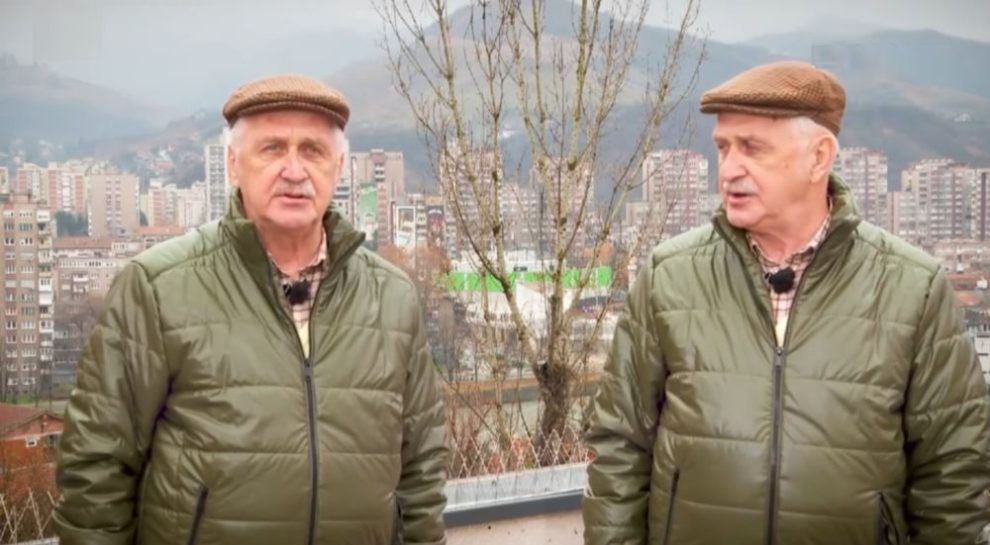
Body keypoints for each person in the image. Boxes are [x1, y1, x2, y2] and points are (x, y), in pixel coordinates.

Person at [583, 60, 990, 544]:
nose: (729, 169)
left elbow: (954, 471)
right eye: (723, 148)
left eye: (752, 148)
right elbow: (618, 445)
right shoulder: (668, 277)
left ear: (819, 157)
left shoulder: (912, 288)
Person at [53, 74, 448, 545]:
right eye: (272, 148)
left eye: (313, 151)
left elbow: (421, 468)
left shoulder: (393, 298)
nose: (294, 170)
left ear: (340, 167)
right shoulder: (158, 289)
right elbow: (97, 467)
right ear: (232, 164)